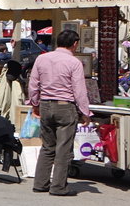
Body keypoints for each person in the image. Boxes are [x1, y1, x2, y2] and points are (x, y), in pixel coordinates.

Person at [26, 28, 91, 196]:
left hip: (46, 105)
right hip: (65, 107)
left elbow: (33, 84)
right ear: (75, 44)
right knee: (63, 148)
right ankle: (58, 186)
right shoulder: (74, 63)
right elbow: (79, 91)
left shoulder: (42, 59)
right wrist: (85, 112)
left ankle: (40, 183)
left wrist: (34, 103)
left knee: (47, 146)